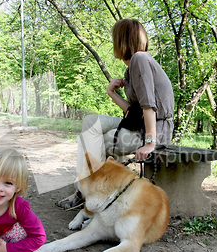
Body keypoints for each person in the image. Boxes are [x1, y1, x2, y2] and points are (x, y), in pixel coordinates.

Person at [56, 18, 174, 209]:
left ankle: (90, 194)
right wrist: (111, 92)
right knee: (90, 123)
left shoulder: (140, 59)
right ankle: (90, 191)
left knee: (100, 140)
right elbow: (132, 111)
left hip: (155, 130)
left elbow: (149, 106)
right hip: (139, 124)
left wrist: (151, 143)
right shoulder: (133, 67)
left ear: (121, 40)